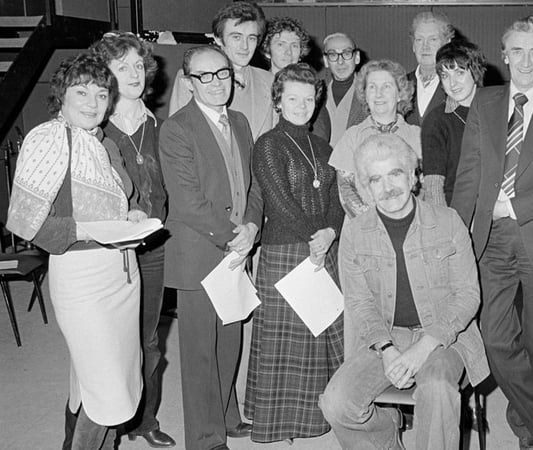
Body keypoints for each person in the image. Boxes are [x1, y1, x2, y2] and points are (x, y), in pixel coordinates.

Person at [450, 16, 533, 450]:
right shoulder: (485, 102)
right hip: (489, 239)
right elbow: (469, 173)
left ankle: (532, 430)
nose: (525, 61)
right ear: (504, 56)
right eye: (517, 51)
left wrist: (511, 206)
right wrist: (456, 235)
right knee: (494, 337)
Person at [6, 52, 144, 450]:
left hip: (122, 272)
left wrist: (132, 215)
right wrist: (87, 229)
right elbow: (25, 222)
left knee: (98, 379)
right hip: (81, 275)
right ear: (61, 96)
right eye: (81, 92)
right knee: (108, 390)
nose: (92, 102)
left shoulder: (105, 143)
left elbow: (120, 200)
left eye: (101, 94)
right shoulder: (47, 139)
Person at [319, 133, 490, 450]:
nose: (388, 188)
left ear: (413, 176)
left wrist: (424, 346)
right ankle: (387, 437)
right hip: (387, 336)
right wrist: (386, 349)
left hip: (444, 336)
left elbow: (468, 295)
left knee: (436, 388)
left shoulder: (448, 221)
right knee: (337, 403)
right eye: (376, 179)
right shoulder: (355, 233)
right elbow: (359, 303)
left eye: (395, 174)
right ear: (366, 188)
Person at [159, 45, 263, 450]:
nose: (216, 82)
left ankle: (226, 416)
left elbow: (253, 184)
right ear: (189, 82)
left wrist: (251, 224)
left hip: (236, 248)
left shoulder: (239, 121)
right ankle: (204, 438)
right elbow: (187, 201)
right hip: (200, 252)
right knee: (201, 351)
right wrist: (233, 235)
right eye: (204, 76)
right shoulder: (177, 128)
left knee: (229, 340)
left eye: (221, 73)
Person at [244, 63, 344, 443]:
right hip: (286, 251)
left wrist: (330, 232)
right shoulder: (269, 144)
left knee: (321, 334)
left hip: (323, 246)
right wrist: (313, 237)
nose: (302, 106)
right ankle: (281, 423)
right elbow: (279, 201)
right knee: (287, 343)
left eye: (308, 99)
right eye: (293, 99)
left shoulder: (324, 146)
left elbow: (336, 198)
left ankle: (321, 417)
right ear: (278, 102)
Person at [91, 31, 174, 448]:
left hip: (153, 248)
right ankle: (108, 422)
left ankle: (145, 420)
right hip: (111, 252)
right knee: (109, 341)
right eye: (121, 67)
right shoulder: (95, 128)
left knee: (149, 339)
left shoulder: (160, 126)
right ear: (105, 74)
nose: (133, 74)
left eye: (138, 65)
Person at [167, 1, 273, 142]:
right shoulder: (193, 78)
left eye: (251, 38)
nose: (245, 46)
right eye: (236, 37)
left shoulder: (269, 80)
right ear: (218, 39)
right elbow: (178, 136)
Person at [328, 59, 421, 220]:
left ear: (400, 94)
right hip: (363, 226)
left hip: (411, 224)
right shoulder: (352, 137)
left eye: (386, 86)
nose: (379, 94)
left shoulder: (417, 136)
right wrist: (374, 223)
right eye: (372, 87)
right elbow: (345, 189)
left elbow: (424, 187)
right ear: (364, 95)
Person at [421, 41, 486, 207]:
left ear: (476, 71)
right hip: (455, 210)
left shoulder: (497, 110)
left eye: (459, 73)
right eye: (445, 75)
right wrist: (444, 220)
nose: (452, 83)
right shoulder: (436, 120)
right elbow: (433, 186)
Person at [263, 16, 330, 141]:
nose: (288, 52)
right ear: (267, 51)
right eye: (281, 45)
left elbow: (319, 139)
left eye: (294, 46)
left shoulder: (311, 90)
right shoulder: (255, 87)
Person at [321, 32, 369, 146]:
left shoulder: (371, 95)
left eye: (347, 53)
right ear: (326, 61)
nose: (340, 61)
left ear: (357, 57)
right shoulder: (316, 95)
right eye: (333, 55)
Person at [406, 11, 452, 126]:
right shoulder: (400, 84)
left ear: (447, 44)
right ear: (413, 46)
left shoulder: (457, 86)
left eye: (433, 39)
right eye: (419, 40)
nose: (425, 46)